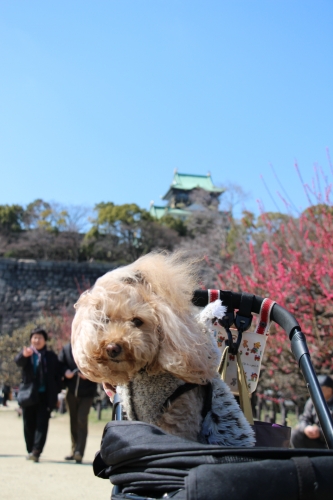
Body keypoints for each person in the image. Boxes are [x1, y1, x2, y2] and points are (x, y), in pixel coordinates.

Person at [15, 327, 62, 462]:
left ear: (44, 340)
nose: (37, 340)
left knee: (42, 424)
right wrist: (24, 355)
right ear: (31, 340)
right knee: (28, 424)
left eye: (39, 337)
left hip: (45, 396)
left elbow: (57, 375)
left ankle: (36, 450)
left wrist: (56, 391)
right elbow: (18, 362)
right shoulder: (27, 353)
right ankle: (30, 449)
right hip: (29, 395)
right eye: (34, 338)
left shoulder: (51, 356)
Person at [58, 342, 97, 464]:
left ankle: (79, 452)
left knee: (81, 419)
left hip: (87, 392)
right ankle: (73, 450)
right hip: (71, 391)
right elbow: (60, 364)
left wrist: (89, 374)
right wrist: (65, 372)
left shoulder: (92, 346)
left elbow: (99, 365)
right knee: (73, 420)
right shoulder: (66, 348)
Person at [291, 374, 333, 449]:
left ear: (330, 390)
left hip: (329, 440)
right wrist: (306, 428)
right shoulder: (312, 401)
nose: (317, 392)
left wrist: (320, 432)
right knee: (295, 434)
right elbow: (304, 418)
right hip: (316, 441)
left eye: (321, 389)